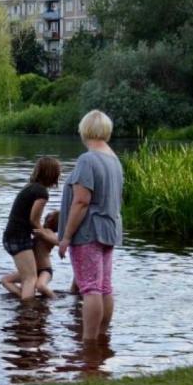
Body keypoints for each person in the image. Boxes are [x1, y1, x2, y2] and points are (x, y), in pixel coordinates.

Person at [58, 110, 124, 343]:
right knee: (104, 286)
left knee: (90, 288)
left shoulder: (88, 159)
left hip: (89, 231)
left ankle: (88, 343)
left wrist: (66, 237)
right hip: (110, 228)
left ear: (84, 130)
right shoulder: (113, 159)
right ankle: (101, 340)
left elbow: (82, 201)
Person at [0, 157, 61, 300]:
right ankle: (28, 312)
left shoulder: (30, 187)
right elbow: (34, 220)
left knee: (28, 278)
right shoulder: (41, 193)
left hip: (11, 236)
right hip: (18, 237)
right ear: (52, 174)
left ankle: (25, 300)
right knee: (30, 278)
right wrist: (42, 231)